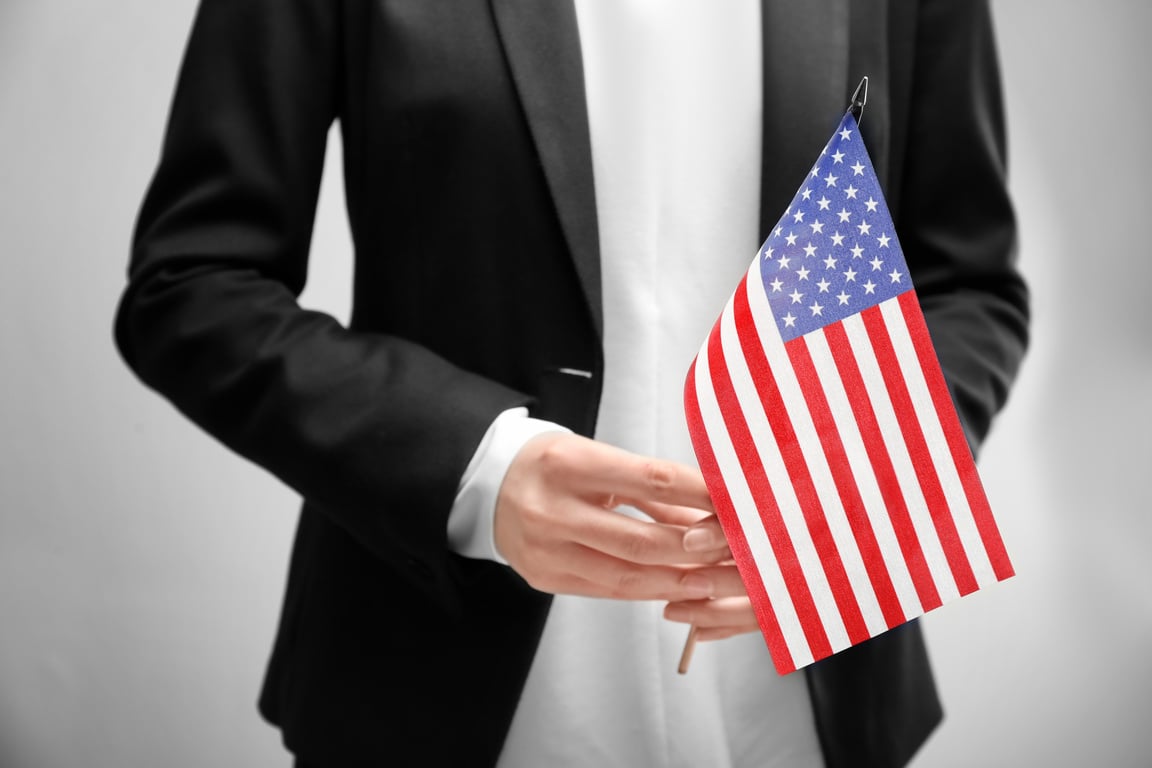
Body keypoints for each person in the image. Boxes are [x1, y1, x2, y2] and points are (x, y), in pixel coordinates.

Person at [114, 1, 1029, 766]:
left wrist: (858, 479)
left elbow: (966, 284)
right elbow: (192, 284)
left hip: (814, 705)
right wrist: (477, 467)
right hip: (437, 686)